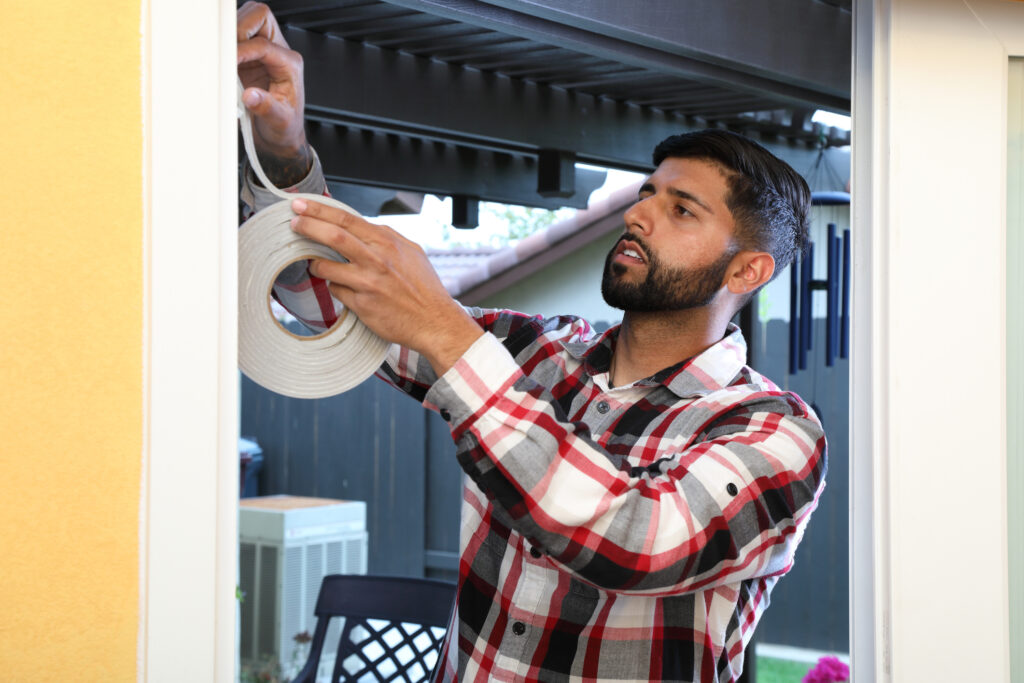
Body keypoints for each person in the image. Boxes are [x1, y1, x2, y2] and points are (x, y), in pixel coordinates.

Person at [237, 4, 827, 681]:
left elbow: (637, 541)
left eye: (680, 209)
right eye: (647, 193)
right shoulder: (538, 353)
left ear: (747, 269)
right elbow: (334, 308)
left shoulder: (774, 431)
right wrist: (283, 157)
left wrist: (445, 330)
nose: (638, 212)